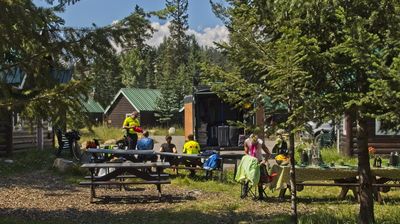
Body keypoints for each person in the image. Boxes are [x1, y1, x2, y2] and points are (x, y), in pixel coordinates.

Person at [242, 133, 271, 200]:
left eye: (255, 143)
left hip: (259, 161)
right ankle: (244, 192)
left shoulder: (260, 142)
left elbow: (268, 153)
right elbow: (246, 152)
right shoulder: (247, 141)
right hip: (250, 161)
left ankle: (261, 195)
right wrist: (248, 158)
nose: (254, 145)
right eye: (253, 143)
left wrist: (265, 160)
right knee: (247, 176)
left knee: (259, 178)